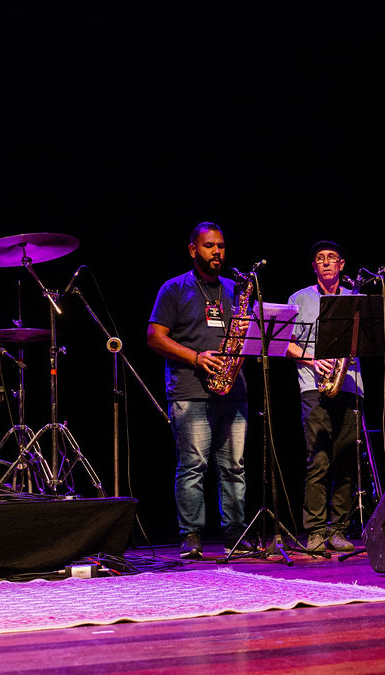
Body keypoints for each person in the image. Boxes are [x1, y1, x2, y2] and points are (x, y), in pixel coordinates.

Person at [147, 221, 252, 559]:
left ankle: (236, 533)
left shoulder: (235, 289)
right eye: (209, 246)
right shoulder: (174, 288)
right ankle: (191, 536)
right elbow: (154, 337)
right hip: (190, 391)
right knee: (193, 467)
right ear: (193, 250)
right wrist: (196, 357)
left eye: (221, 246)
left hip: (233, 390)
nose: (217, 252)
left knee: (234, 467)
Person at [285, 240, 364, 553]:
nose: (327, 262)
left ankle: (339, 529)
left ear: (342, 264)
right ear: (314, 266)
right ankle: (316, 530)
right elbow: (285, 343)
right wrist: (311, 359)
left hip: (351, 384)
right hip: (313, 385)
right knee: (317, 459)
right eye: (320, 258)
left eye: (332, 257)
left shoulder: (356, 298)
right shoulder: (299, 298)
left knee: (347, 459)